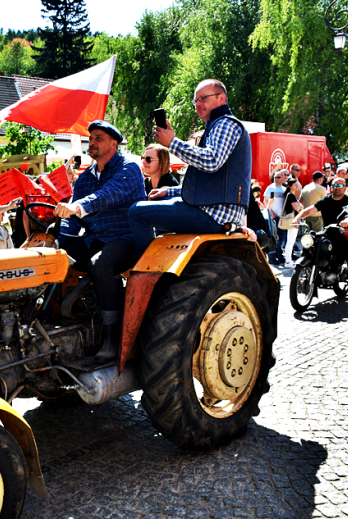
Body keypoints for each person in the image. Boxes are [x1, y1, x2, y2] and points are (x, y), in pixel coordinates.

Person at [128, 79, 250, 260]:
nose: (198, 105)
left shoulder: (225, 124)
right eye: (196, 101)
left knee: (137, 212)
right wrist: (168, 190)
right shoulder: (215, 126)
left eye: (204, 99)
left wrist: (172, 143)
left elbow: (211, 160)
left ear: (221, 98)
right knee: (158, 216)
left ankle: (147, 272)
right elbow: (206, 184)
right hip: (215, 211)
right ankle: (164, 267)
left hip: (213, 214)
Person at [56, 120, 145, 362]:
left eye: (98, 138)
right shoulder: (85, 178)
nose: (91, 142)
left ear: (114, 144)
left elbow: (109, 195)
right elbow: (73, 220)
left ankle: (112, 339)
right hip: (96, 239)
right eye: (90, 138)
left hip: (128, 238)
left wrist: (77, 207)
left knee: (100, 265)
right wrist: (57, 242)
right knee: (56, 260)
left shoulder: (129, 168)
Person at [291, 177, 348, 302]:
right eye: (335, 185)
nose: (337, 188)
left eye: (340, 185)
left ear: (345, 187)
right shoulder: (326, 200)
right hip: (328, 233)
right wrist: (298, 217)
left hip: (344, 235)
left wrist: (346, 220)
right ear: (331, 187)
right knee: (310, 246)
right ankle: (308, 275)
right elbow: (311, 209)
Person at [263, 169, 288, 264]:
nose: (276, 179)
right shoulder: (270, 188)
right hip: (274, 217)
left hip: (282, 217)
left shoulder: (285, 189)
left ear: (283, 178)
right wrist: (271, 212)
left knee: (282, 237)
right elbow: (266, 200)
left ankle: (278, 254)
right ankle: (272, 257)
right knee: (273, 237)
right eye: (275, 177)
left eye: (278, 177)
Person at [282, 178, 303, 268]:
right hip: (292, 220)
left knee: (289, 241)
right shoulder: (291, 195)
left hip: (290, 220)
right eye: (295, 184)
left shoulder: (288, 194)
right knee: (290, 242)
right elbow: (297, 208)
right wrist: (301, 207)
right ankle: (288, 262)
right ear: (290, 186)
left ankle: (288, 260)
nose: (297, 186)